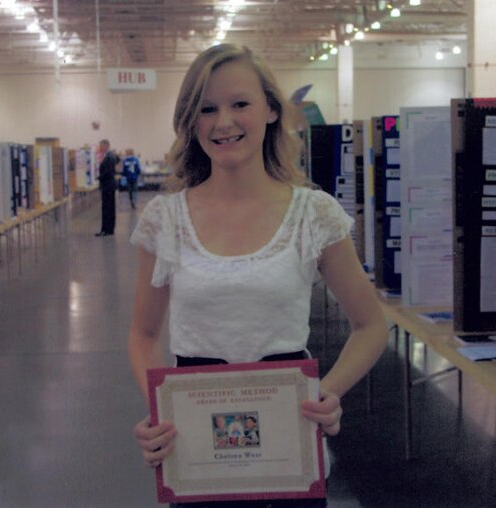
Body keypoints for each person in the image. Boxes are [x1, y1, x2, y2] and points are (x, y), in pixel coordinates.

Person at [128, 43, 388, 508]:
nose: (223, 122)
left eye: (239, 104)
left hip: (290, 446)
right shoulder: (164, 220)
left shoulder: (313, 214)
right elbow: (143, 334)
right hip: (197, 449)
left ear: (271, 110)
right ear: (191, 121)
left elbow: (370, 326)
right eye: (206, 109)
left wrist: (327, 394)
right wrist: (159, 412)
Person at [95, 139, 120, 236]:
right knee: (110, 208)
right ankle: (109, 229)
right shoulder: (111, 156)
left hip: (107, 186)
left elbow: (108, 172)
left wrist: (98, 177)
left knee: (107, 208)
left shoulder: (109, 157)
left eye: (101, 146)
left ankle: (106, 229)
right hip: (109, 185)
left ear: (106, 146)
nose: (100, 148)